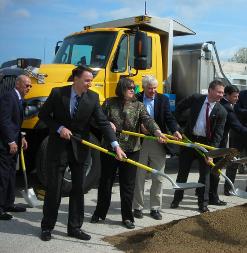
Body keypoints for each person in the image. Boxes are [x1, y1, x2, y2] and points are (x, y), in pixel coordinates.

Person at [38, 65, 125, 242]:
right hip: (57, 148)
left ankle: (75, 227)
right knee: (54, 189)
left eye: (91, 80)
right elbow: (43, 115)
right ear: (76, 79)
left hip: (80, 150)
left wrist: (115, 145)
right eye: (87, 80)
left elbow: (102, 122)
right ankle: (47, 227)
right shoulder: (57, 93)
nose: (90, 84)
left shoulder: (92, 98)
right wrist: (60, 128)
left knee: (78, 190)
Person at [90, 78, 168, 229]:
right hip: (110, 149)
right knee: (106, 182)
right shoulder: (109, 102)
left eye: (134, 87)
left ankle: (127, 217)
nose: (133, 90)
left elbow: (148, 120)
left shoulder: (138, 105)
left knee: (128, 185)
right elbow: (94, 119)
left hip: (131, 150)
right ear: (121, 88)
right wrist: (107, 123)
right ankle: (99, 213)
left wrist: (158, 132)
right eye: (129, 88)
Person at [170, 80, 227, 213]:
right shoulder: (197, 99)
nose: (221, 95)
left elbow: (218, 135)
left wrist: (211, 153)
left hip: (205, 145)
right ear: (210, 90)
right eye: (219, 92)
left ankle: (203, 204)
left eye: (222, 93)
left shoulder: (222, 112)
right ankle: (176, 199)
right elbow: (179, 106)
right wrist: (175, 123)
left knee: (205, 175)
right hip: (190, 141)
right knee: (182, 173)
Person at [133, 76, 181, 221]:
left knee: (158, 176)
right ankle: (137, 207)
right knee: (139, 176)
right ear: (143, 88)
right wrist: (139, 126)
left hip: (158, 140)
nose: (153, 91)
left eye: (155, 88)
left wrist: (174, 130)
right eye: (150, 88)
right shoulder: (135, 98)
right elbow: (129, 118)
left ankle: (155, 208)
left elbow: (169, 117)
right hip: (139, 141)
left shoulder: (163, 99)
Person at [0, 75, 31, 220]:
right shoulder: (8, 97)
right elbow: (4, 121)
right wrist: (11, 142)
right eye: (26, 85)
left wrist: (21, 137)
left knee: (12, 172)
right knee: (3, 175)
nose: (29, 88)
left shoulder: (18, 99)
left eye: (30, 86)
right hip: (5, 145)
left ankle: (9, 203)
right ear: (17, 84)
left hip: (14, 142)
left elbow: (15, 123)